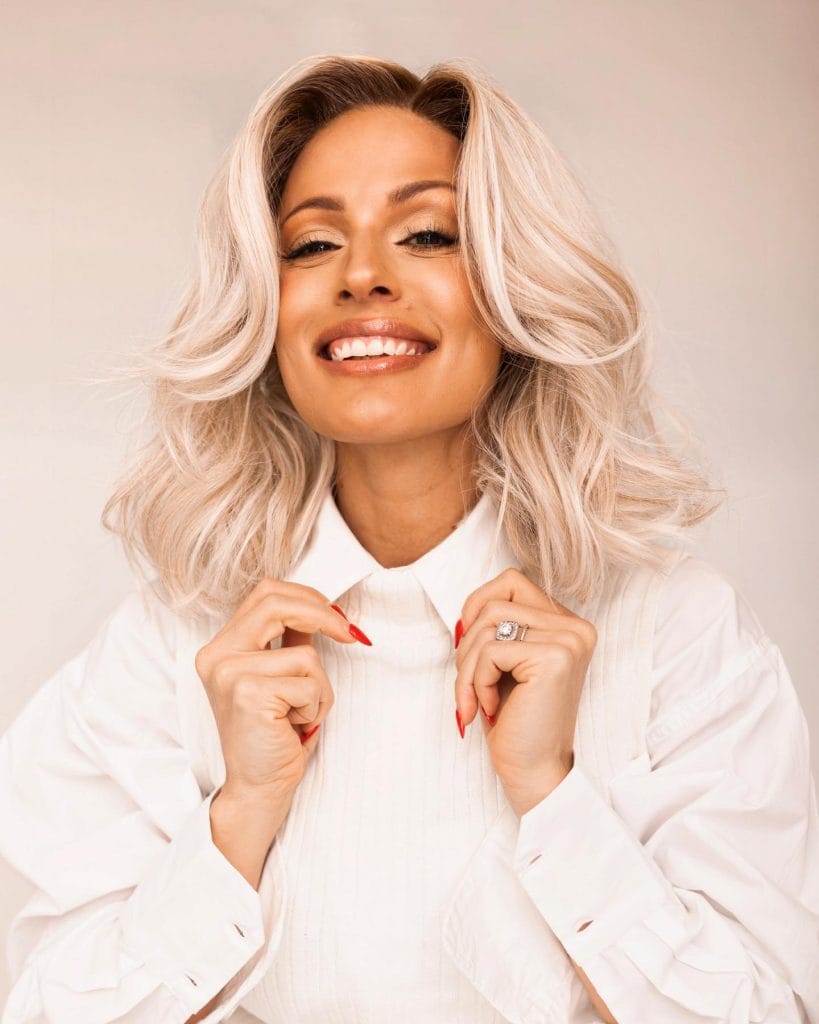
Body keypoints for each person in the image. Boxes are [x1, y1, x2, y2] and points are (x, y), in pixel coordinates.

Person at [0, 53, 817, 1024]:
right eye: (311, 245)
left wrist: (552, 794)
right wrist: (238, 818)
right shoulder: (174, 645)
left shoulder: (673, 631)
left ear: (510, 287)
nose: (362, 277)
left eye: (426, 233)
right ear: (267, 309)